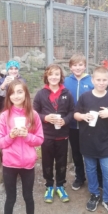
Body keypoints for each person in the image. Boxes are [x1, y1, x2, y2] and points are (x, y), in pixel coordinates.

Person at [0, 80, 44, 214]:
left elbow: (40, 139)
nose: (16, 96)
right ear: (8, 96)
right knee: (11, 198)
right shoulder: (4, 116)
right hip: (10, 164)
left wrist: (27, 136)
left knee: (28, 196)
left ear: (26, 94)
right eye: (12, 93)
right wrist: (11, 135)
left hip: (28, 164)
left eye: (20, 92)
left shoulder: (33, 115)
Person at [74, 66, 108, 214]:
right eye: (98, 80)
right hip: (87, 140)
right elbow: (75, 114)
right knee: (91, 169)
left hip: (105, 142)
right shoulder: (85, 97)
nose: (101, 83)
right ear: (93, 80)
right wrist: (83, 117)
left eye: (104, 80)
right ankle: (94, 194)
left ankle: (107, 199)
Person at [33, 64, 74, 203]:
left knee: (62, 161)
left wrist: (66, 120)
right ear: (47, 76)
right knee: (47, 161)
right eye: (51, 74)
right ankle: (49, 185)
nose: (54, 77)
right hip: (47, 135)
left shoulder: (67, 93)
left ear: (61, 77)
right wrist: (45, 118)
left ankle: (60, 186)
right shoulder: (40, 94)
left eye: (57, 74)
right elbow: (33, 113)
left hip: (62, 134)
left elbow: (72, 112)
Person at [64, 54, 103, 191]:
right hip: (73, 124)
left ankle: (99, 178)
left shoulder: (91, 81)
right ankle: (80, 177)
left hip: (90, 123)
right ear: (70, 67)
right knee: (76, 152)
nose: (78, 67)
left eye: (80, 65)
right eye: (74, 65)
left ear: (85, 66)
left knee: (93, 150)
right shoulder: (66, 81)